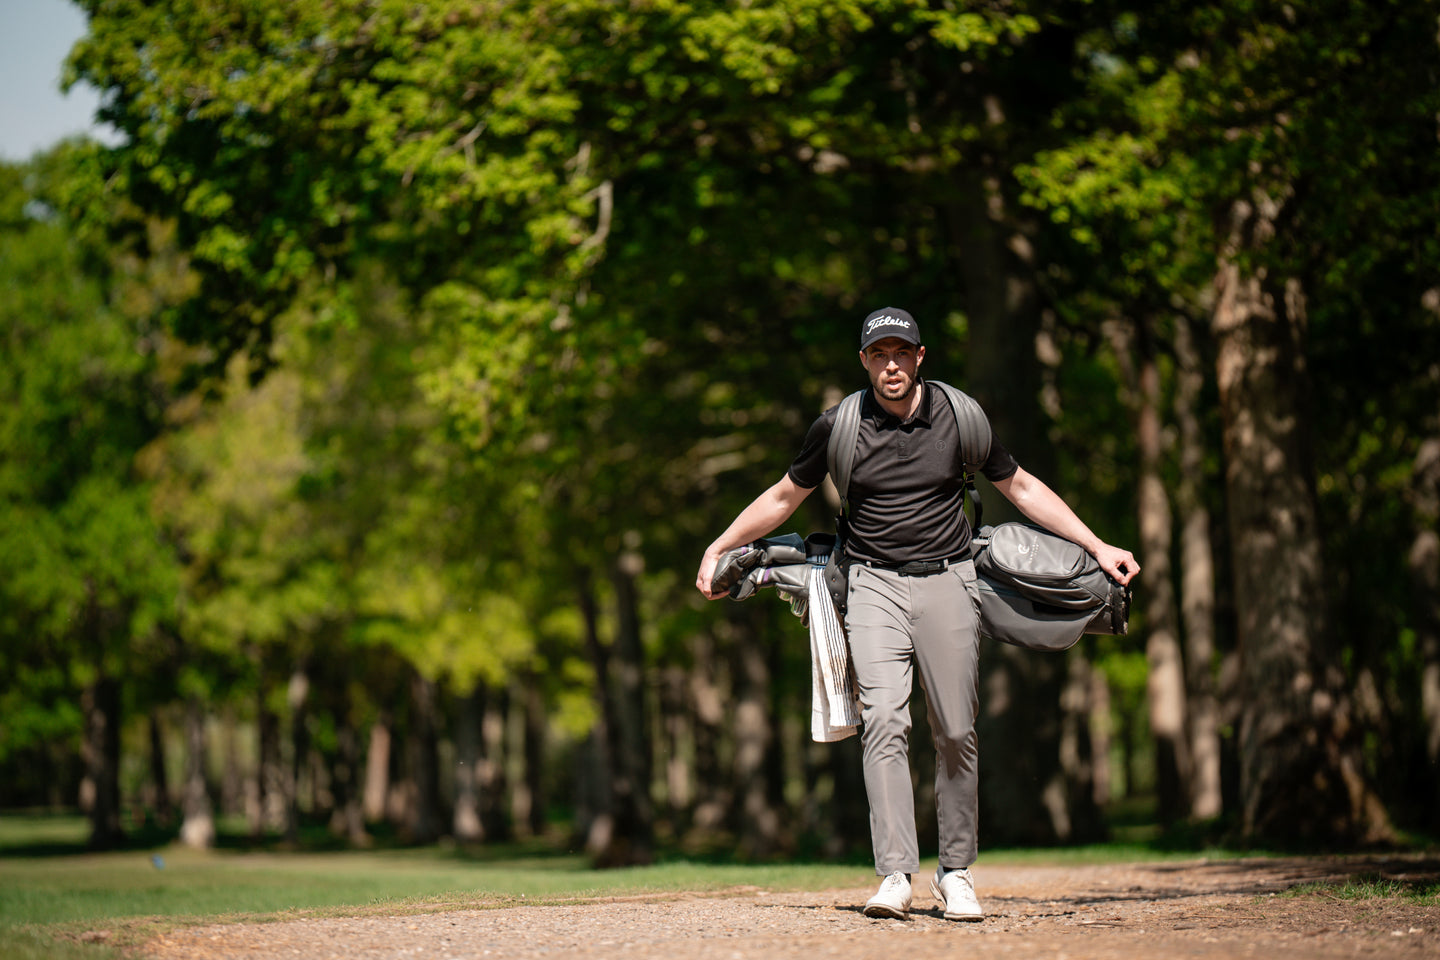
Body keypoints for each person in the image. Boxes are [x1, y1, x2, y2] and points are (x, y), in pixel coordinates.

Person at [695, 307, 1139, 921]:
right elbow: (782, 495)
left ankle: (955, 871)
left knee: (956, 728)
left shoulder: (961, 417)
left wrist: (1098, 545)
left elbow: (1023, 488)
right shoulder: (839, 426)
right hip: (872, 585)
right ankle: (896, 873)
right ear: (865, 363)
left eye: (901, 353)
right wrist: (719, 545)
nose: (891, 365)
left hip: (950, 582)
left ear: (920, 356)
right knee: (882, 720)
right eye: (880, 355)